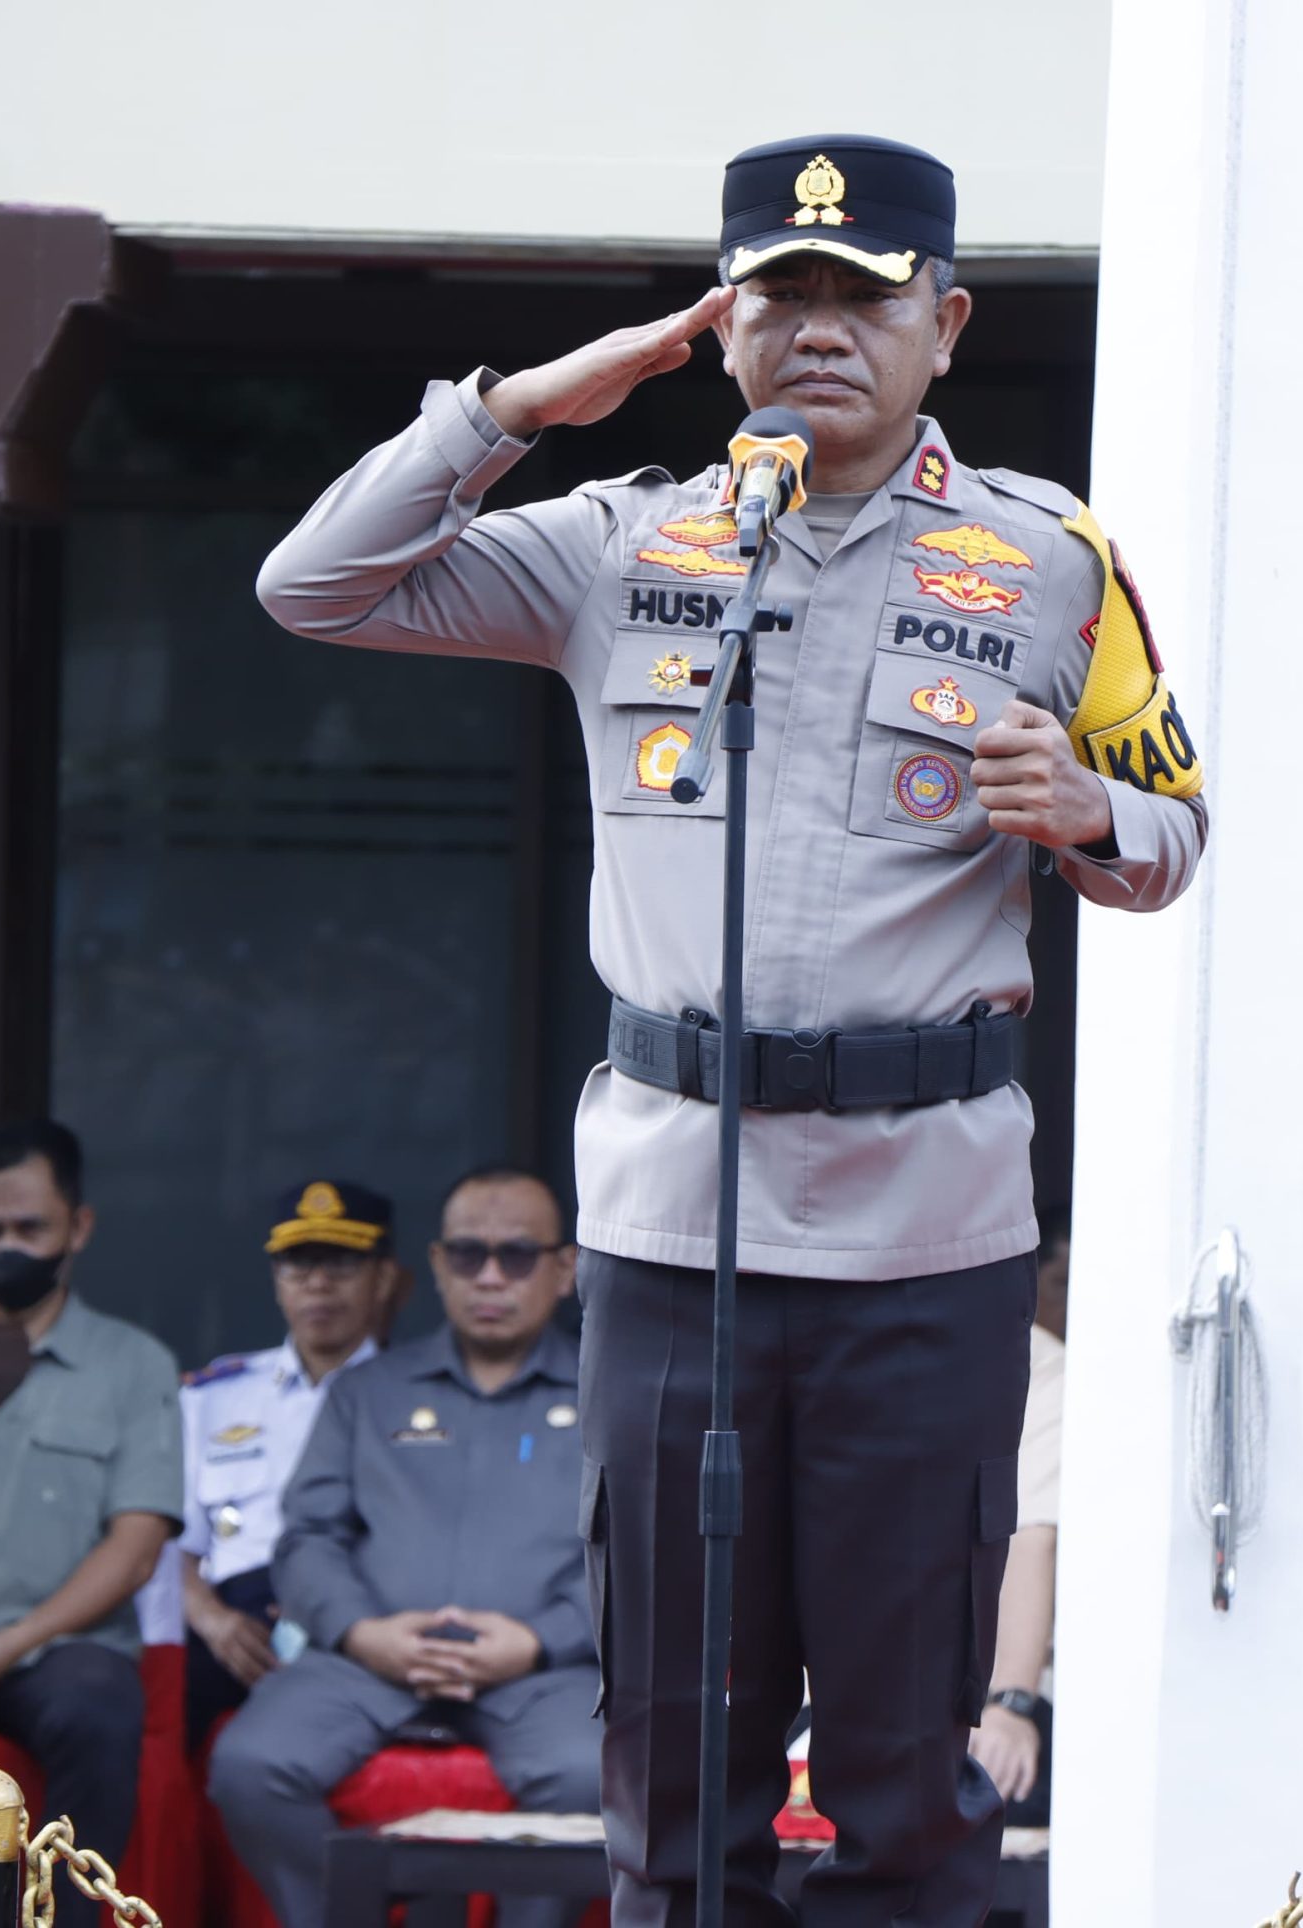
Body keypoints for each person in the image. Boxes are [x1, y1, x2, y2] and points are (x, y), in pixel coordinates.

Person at [256, 134, 1206, 1928]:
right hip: (674, 1229)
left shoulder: (1050, 558)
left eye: (865, 297)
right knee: (677, 1756)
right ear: (723, 320)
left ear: (946, 325)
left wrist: (1090, 814)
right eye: (780, 295)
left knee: (905, 1763)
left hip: (925, 1239)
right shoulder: (620, 540)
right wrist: (521, 409)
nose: (819, 329)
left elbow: (1177, 832)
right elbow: (316, 586)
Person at [206, 1168, 598, 1928]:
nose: (491, 1276)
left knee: (589, 1774)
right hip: (369, 1664)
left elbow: (641, 1554)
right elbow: (307, 1539)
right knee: (250, 1765)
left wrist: (538, 1640)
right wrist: (363, 1633)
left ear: (564, 1270)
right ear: (439, 1266)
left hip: (543, 1672)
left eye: (517, 1256)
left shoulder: (607, 1395)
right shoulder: (367, 1391)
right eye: (469, 1254)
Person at [0, 1119, 183, 1928]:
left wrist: (3, 1647)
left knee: (97, 1706)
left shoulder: (134, 1364)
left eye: (30, 1228)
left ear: (77, 1227)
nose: (8, 1248)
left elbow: (136, 1548)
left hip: (58, 1651)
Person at [180, 1179, 400, 1747]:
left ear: (382, 1279)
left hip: (363, 1614)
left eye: (342, 1264)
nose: (318, 1284)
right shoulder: (213, 1398)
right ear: (277, 1280)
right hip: (237, 1619)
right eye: (299, 1265)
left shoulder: (418, 1398)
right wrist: (213, 1621)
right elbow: (169, 1546)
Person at [970, 1222, 1064, 1830]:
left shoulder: (1041, 1361)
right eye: (1063, 1282)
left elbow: (1033, 1536)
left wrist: (1009, 1702)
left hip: (1000, 1690)